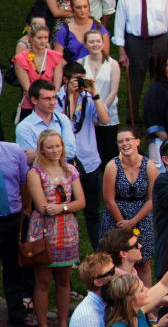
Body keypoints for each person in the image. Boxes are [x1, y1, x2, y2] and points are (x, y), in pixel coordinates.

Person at [25, 129, 84, 327]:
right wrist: (67, 207)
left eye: (57, 146)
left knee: (64, 280)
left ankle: (62, 323)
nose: (54, 150)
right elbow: (41, 207)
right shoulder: (35, 173)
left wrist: (61, 206)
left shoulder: (70, 169)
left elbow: (82, 202)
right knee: (42, 281)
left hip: (67, 232)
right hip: (43, 232)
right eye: (50, 147)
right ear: (41, 148)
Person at [112, 0, 168, 124]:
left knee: (161, 79)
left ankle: (159, 116)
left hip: (159, 41)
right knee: (135, 82)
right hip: (136, 43)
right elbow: (119, 26)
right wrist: (121, 51)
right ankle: (132, 119)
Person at [58, 61, 110, 249]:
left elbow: (105, 120)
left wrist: (94, 92)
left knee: (93, 211)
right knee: (68, 208)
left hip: (89, 160)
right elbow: (66, 125)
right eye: (75, 80)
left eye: (82, 80)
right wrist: (71, 97)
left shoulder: (89, 97)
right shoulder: (57, 99)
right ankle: (70, 250)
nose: (79, 84)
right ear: (65, 80)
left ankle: (97, 249)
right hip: (65, 163)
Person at [100, 126, 157, 277]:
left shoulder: (149, 166)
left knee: (143, 263)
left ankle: (147, 299)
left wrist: (133, 221)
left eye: (128, 140)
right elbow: (108, 200)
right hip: (116, 218)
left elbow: (152, 199)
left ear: (137, 141)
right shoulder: (112, 166)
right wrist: (123, 225)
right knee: (116, 263)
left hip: (142, 217)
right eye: (120, 141)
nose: (124, 144)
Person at [0, 141, 32, 327]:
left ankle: (17, 314)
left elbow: (23, 181)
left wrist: (26, 210)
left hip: (13, 218)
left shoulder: (14, 151)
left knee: (14, 268)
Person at [78, 28, 120, 163]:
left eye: (98, 41)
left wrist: (102, 112)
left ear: (102, 43)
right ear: (85, 44)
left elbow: (113, 91)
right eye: (91, 42)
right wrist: (94, 115)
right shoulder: (80, 64)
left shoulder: (113, 64)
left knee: (109, 154)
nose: (95, 44)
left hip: (109, 115)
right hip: (87, 116)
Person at [12, 26, 65, 123]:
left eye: (46, 37)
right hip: (30, 105)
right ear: (31, 39)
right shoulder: (21, 59)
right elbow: (27, 89)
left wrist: (49, 103)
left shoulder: (56, 56)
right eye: (39, 38)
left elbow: (57, 87)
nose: (43, 41)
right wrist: (41, 104)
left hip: (51, 106)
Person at [16, 79, 76, 165]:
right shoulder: (24, 127)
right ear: (34, 100)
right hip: (39, 177)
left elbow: (71, 151)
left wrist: (38, 154)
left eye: (54, 97)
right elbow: (30, 160)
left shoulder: (62, 119)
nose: (53, 102)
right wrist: (59, 151)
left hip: (64, 175)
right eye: (47, 99)